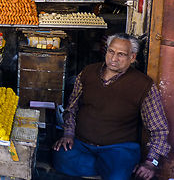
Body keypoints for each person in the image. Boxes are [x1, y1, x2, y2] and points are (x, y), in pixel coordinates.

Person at [53, 33, 170, 180]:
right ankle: (106, 169)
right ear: (106, 50)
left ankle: (109, 169)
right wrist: (68, 134)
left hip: (119, 148)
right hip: (82, 144)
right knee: (60, 158)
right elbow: (72, 108)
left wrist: (151, 162)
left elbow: (159, 129)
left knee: (117, 174)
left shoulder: (143, 85)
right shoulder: (88, 72)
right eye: (111, 52)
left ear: (132, 58)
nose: (114, 59)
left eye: (121, 54)